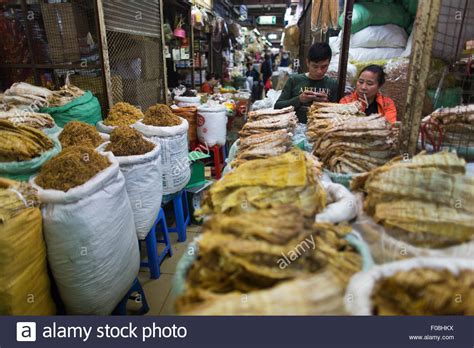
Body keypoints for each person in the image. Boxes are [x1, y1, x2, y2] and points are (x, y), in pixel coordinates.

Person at [274, 42, 338, 124]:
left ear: (329, 63)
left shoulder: (333, 84)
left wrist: (326, 104)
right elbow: (278, 106)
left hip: (322, 129)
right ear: (307, 62)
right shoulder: (294, 80)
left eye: (324, 66)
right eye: (315, 66)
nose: (319, 71)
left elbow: (337, 114)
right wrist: (299, 99)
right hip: (295, 129)